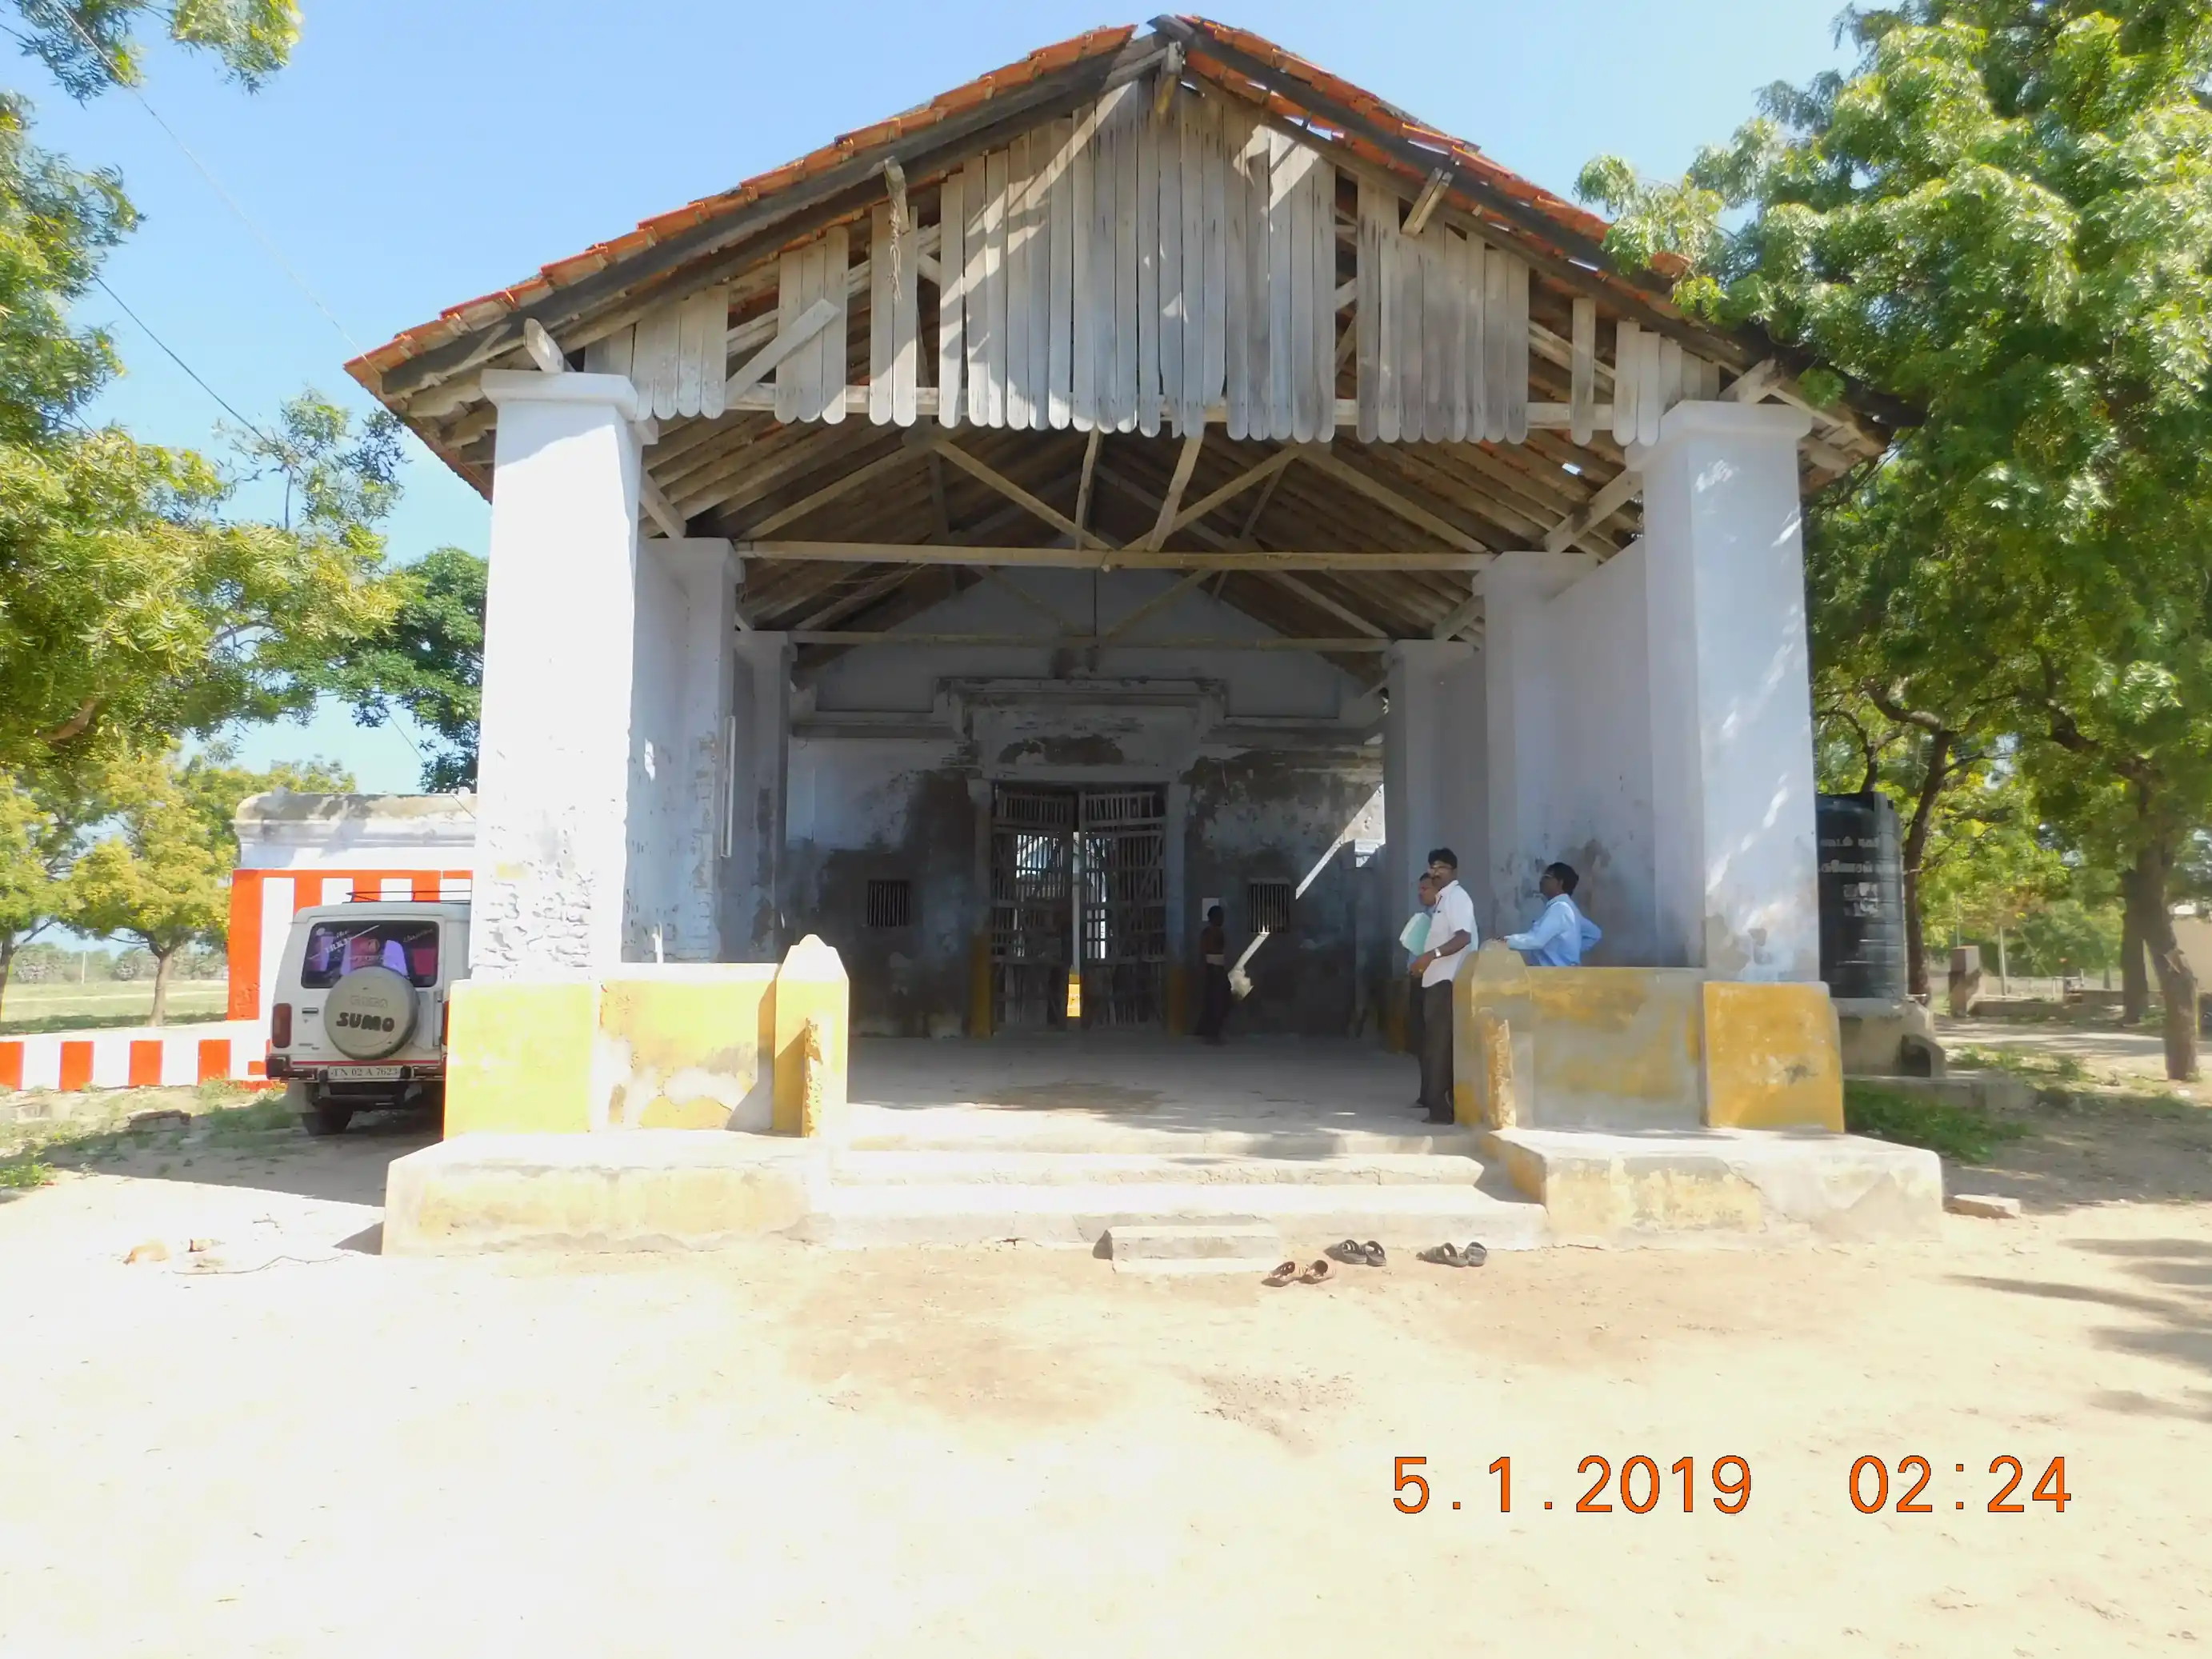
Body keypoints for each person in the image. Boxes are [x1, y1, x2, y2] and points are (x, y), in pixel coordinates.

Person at [1410, 849, 1477, 1123]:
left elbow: (1463, 937)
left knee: (1439, 1047)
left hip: (1447, 981)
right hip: (1434, 980)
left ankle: (1440, 1109)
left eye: (1442, 867)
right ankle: (1441, 1103)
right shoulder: (1442, 901)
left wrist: (1431, 956)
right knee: (1435, 1046)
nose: (1436, 872)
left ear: (1454, 871)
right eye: (1432, 867)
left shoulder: (1457, 898)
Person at [1505, 862, 1603, 967]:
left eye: (1547, 877)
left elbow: (1537, 940)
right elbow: (1594, 934)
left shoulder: (1560, 908)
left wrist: (1504, 942)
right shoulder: (1570, 909)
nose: (1541, 881)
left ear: (1560, 883)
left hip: (1554, 976)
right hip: (1563, 974)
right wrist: (1568, 950)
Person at [1402, 873, 1438, 1095]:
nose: (1420, 893)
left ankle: (1435, 1093)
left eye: (1425, 889)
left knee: (1434, 1041)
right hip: (1418, 980)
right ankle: (1426, 1092)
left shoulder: (1443, 919)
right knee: (1420, 1039)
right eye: (1420, 888)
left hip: (1435, 982)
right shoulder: (1425, 916)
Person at [1195, 903, 1231, 1044]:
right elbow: (1204, 951)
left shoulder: (1218, 932)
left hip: (1218, 969)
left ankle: (1210, 1031)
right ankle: (1211, 1033)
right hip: (1212, 969)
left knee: (1219, 1001)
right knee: (1215, 1002)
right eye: (1219, 916)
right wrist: (1205, 968)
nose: (1222, 919)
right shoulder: (1209, 933)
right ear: (1213, 918)